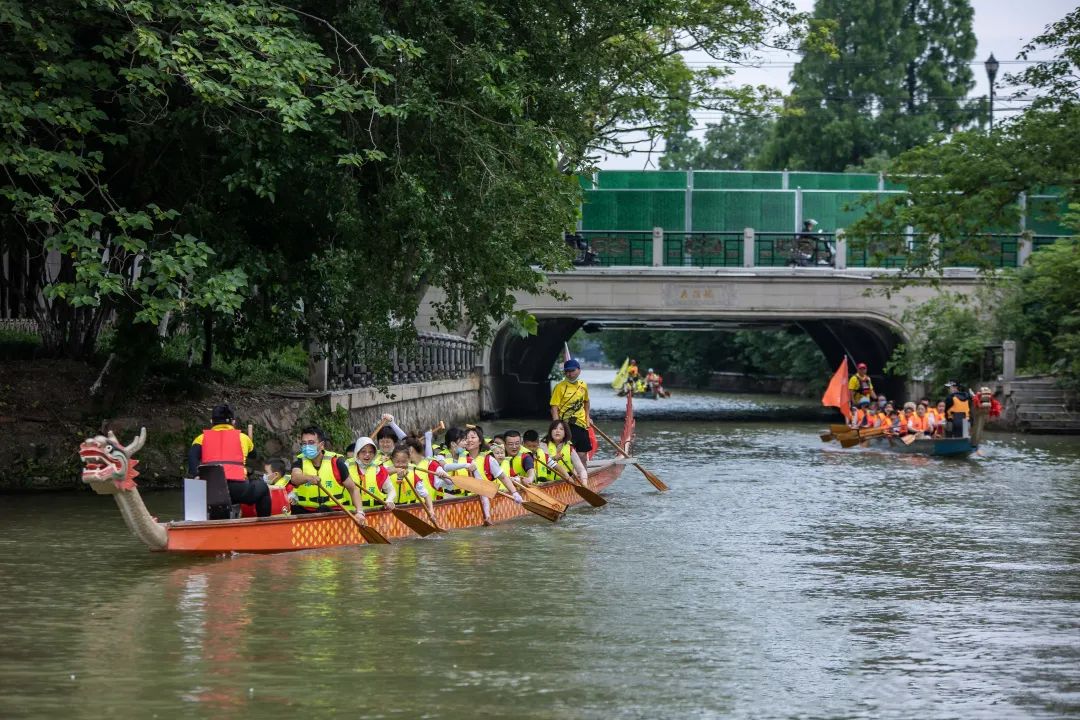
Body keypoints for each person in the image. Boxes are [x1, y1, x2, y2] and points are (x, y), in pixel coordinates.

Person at [188, 404, 271, 517]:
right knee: (263, 488)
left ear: (212, 421)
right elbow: (254, 455)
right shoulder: (243, 438)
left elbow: (192, 457)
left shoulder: (201, 438)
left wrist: (196, 475)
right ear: (233, 422)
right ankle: (264, 525)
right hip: (237, 490)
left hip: (210, 490)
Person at [290, 426, 365, 521]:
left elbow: (353, 489)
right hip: (306, 512)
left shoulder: (337, 463)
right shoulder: (299, 462)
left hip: (332, 512)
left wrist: (359, 512)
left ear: (321, 445)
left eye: (311, 443)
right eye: (304, 443)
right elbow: (295, 478)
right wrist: (308, 478)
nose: (307, 446)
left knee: (322, 509)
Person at [463, 425, 520, 525]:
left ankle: (488, 517)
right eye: (466, 438)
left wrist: (515, 493)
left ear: (480, 441)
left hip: (486, 499)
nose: (469, 440)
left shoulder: (488, 459)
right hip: (464, 500)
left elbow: (503, 477)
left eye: (472, 437)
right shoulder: (459, 459)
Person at [549, 358, 593, 454]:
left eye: (572, 370)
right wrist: (557, 425)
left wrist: (587, 416)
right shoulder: (559, 387)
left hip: (581, 424)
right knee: (566, 453)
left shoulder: (583, 385)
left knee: (582, 454)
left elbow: (586, 401)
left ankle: (582, 469)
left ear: (579, 370)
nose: (570, 374)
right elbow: (554, 408)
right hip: (566, 425)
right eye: (567, 371)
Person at [545, 419, 589, 487]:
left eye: (561, 429)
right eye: (554, 428)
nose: (557, 431)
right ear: (550, 432)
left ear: (565, 433)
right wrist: (553, 458)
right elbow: (543, 460)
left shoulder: (570, 449)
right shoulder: (544, 445)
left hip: (566, 483)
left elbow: (581, 470)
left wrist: (584, 482)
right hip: (547, 483)